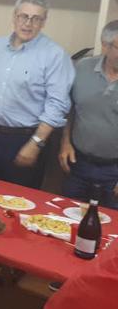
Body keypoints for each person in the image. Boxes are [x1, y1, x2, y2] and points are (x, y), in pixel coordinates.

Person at [0, 0, 74, 189]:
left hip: (25, 139)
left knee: (19, 202)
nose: (28, 23)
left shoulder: (55, 55)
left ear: (43, 22)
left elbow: (57, 104)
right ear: (14, 17)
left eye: (36, 19)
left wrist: (35, 143)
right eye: (23, 16)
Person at [58, 20, 118, 209]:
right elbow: (70, 108)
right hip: (79, 164)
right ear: (105, 45)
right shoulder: (81, 68)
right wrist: (65, 142)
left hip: (114, 171)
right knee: (66, 219)